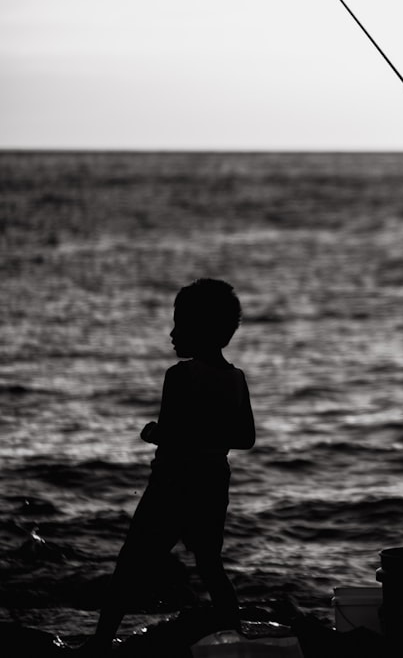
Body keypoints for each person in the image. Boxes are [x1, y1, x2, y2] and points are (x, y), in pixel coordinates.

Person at [76, 278, 256, 655]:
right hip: (213, 480)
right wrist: (209, 435)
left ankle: (101, 642)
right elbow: (245, 438)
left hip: (173, 482)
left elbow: (172, 433)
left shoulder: (180, 376)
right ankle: (237, 637)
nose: (172, 333)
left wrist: (153, 433)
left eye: (180, 324)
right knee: (211, 565)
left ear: (200, 330)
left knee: (131, 565)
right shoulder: (236, 379)